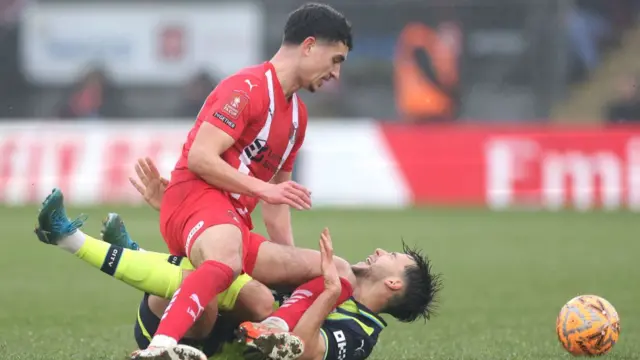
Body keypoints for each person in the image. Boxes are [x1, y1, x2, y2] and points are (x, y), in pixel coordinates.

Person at [145, 3, 353, 358]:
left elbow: (276, 204)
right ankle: (159, 347)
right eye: (335, 59)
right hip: (194, 199)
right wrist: (264, 188)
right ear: (309, 45)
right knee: (227, 256)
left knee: (337, 270)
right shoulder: (247, 87)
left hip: (234, 223)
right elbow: (200, 156)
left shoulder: (298, 117)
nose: (336, 73)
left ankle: (273, 328)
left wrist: (291, 276)